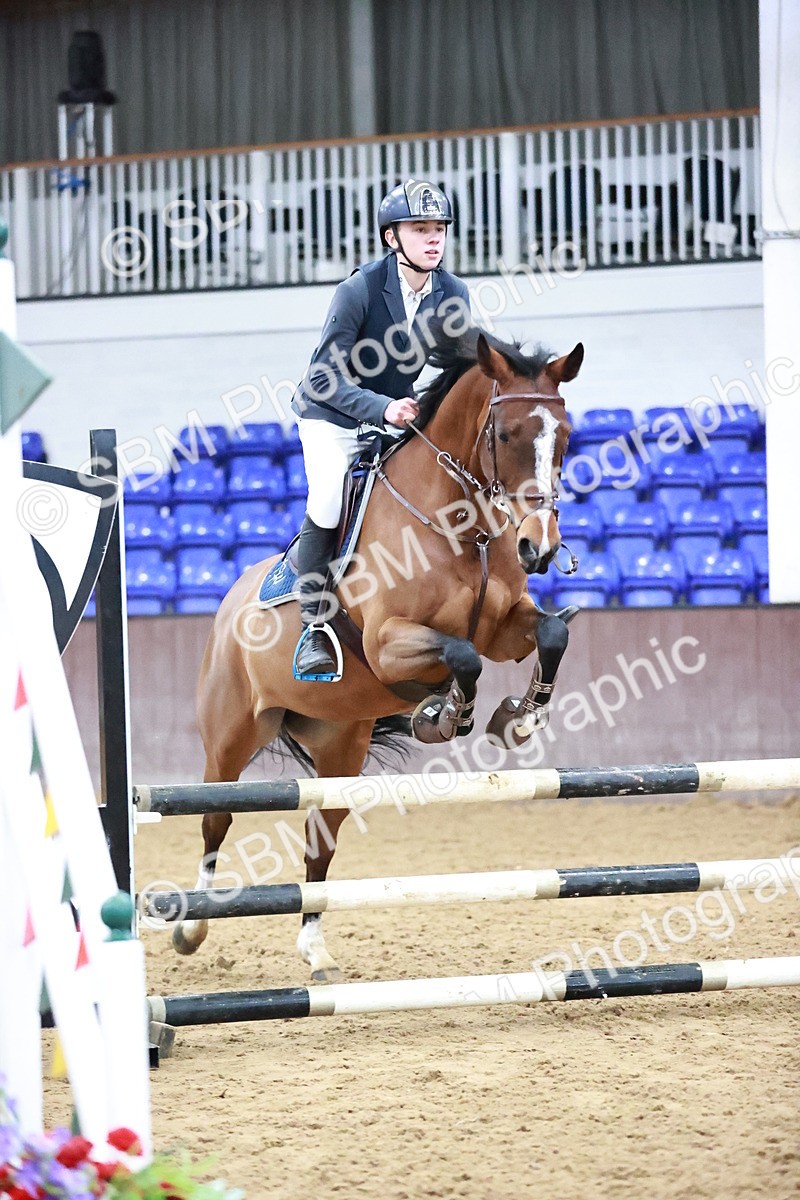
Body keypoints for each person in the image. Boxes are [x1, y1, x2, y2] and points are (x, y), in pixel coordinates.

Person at [290, 179, 471, 679]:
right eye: (420, 229)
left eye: (439, 229)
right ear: (392, 238)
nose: (434, 239)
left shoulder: (452, 293)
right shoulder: (360, 289)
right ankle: (313, 628)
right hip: (331, 416)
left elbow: (461, 364)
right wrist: (383, 408)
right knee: (328, 496)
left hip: (392, 416)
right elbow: (323, 378)